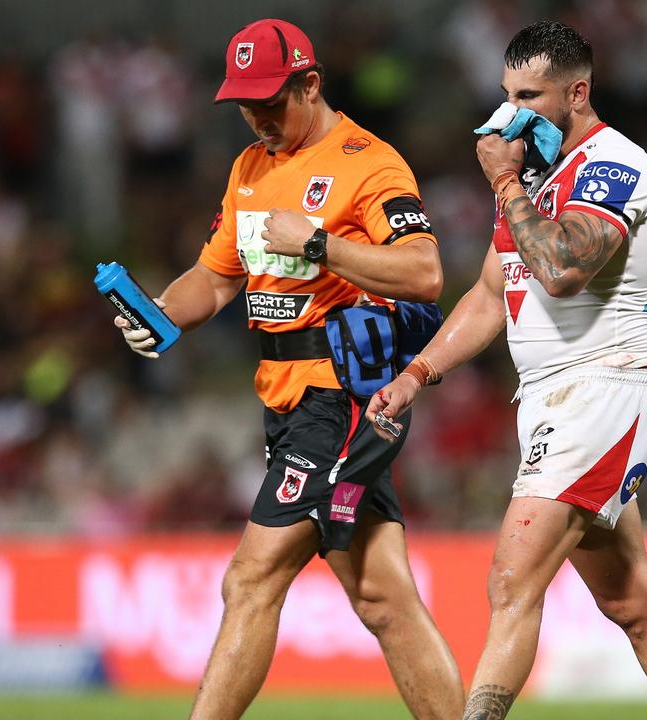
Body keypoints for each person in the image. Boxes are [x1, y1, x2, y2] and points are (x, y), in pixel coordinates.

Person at [368, 20, 647, 720]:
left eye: (530, 94)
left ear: (577, 92)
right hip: (552, 398)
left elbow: (559, 270)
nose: (511, 113)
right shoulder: (536, 178)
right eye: (506, 93)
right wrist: (416, 375)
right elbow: (492, 293)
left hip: (603, 388)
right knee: (632, 603)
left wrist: (504, 185)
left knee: (511, 579)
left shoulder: (615, 166)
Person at [113, 18, 463, 720]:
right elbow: (213, 282)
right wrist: (158, 313)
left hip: (337, 400)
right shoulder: (249, 169)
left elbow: (426, 273)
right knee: (381, 597)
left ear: (311, 83)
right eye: (246, 105)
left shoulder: (371, 162)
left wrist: (322, 246)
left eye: (272, 102)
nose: (259, 118)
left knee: (251, 578)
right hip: (287, 405)